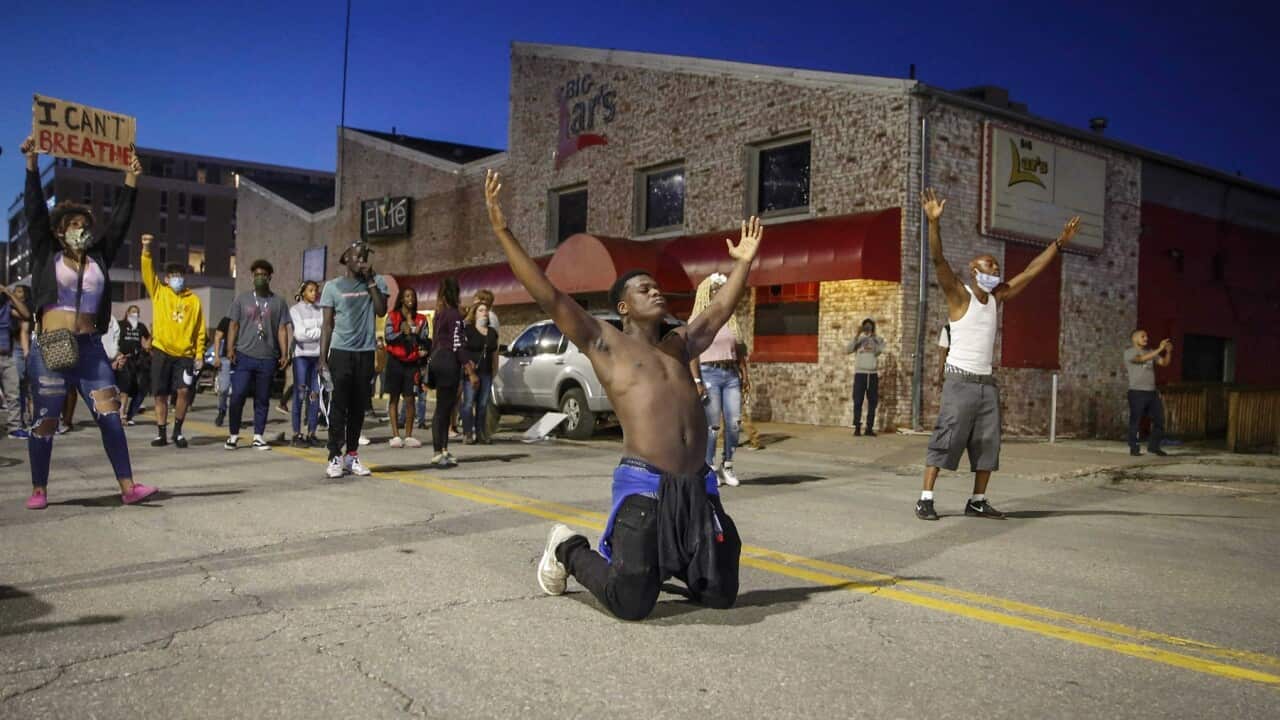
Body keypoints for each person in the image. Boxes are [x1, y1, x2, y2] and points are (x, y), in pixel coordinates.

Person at [486, 169, 749, 621]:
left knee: (720, 594)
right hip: (645, 486)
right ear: (624, 305)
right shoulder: (605, 343)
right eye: (643, 288)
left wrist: (743, 261)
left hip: (698, 489)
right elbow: (546, 293)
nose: (655, 290)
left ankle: (667, 560)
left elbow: (722, 307)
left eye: (656, 284)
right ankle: (567, 547)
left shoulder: (680, 343)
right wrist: (501, 230)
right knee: (631, 602)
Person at [915, 188, 1079, 521]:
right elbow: (938, 260)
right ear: (974, 270)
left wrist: (1059, 243)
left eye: (997, 265)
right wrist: (933, 224)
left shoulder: (997, 298)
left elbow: (1032, 271)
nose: (995, 268)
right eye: (989, 264)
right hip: (959, 382)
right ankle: (925, 498)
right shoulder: (960, 295)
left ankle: (977, 500)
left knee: (988, 442)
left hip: (986, 384)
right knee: (947, 437)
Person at [19, 135, 156, 509]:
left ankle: (128, 487)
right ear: (60, 231)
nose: (80, 229)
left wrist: (131, 179)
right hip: (52, 346)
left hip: (91, 350)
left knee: (111, 417)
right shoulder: (47, 252)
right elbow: (33, 212)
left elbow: (121, 222)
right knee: (45, 421)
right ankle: (39, 490)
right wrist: (32, 165)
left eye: (84, 224)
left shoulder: (98, 256)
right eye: (73, 225)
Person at [319, 241, 388, 478]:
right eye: (357, 257)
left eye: (364, 257)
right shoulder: (332, 287)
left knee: (359, 407)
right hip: (340, 352)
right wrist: (322, 359)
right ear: (346, 258)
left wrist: (369, 281)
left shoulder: (377, 282)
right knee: (338, 406)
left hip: (365, 353)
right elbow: (327, 325)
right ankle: (334, 456)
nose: (361, 261)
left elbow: (381, 310)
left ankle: (352, 455)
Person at [140, 233, 205, 449]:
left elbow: (199, 330)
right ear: (167, 278)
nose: (178, 279)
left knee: (184, 391)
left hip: (185, 355)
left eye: (181, 275)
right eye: (173, 275)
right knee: (160, 393)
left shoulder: (194, 300)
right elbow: (147, 272)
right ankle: (161, 433)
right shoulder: (159, 292)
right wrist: (147, 249)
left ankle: (178, 431)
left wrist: (199, 354)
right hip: (161, 351)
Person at [688, 273, 750, 487]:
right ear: (706, 292)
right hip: (708, 373)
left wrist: (745, 373)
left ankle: (728, 465)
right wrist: (697, 380)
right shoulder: (700, 319)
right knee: (712, 425)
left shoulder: (730, 319)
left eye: (721, 289)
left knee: (734, 423)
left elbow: (740, 350)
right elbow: (692, 353)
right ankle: (709, 467)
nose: (719, 292)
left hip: (730, 373)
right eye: (715, 289)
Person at [224, 260, 291, 451]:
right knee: (237, 395)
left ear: (270, 277)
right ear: (252, 277)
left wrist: (284, 353)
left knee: (262, 398)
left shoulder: (278, 302)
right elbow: (233, 325)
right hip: (244, 355)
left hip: (268, 357)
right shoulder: (242, 299)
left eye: (263, 274)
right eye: (257, 274)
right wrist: (230, 348)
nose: (260, 278)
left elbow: (282, 329)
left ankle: (258, 436)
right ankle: (233, 434)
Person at [428, 277, 475, 467]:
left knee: (443, 407)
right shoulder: (455, 315)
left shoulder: (439, 314)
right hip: (449, 362)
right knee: (444, 409)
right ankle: (439, 451)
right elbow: (458, 344)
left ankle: (443, 450)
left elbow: (434, 341)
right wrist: (470, 369)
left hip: (437, 359)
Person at [384, 287, 430, 448]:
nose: (411, 298)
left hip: (412, 363)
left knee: (410, 398)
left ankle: (409, 435)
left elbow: (425, 340)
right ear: (402, 299)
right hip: (395, 361)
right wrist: (402, 333)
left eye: (413, 296)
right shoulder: (393, 316)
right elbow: (388, 337)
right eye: (407, 295)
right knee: (394, 397)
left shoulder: (422, 319)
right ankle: (396, 435)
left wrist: (417, 334)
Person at [1125, 330, 1173, 457]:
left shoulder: (1150, 351)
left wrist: (1168, 351)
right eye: (1143, 336)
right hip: (1137, 392)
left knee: (1159, 420)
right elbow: (1141, 359)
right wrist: (1159, 349)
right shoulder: (1129, 352)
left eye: (1147, 336)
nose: (1146, 338)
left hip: (1152, 393)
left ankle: (1154, 447)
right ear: (1135, 338)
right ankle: (1134, 448)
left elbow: (1164, 363)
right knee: (1136, 421)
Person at [289, 281, 324, 448]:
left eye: (316, 290)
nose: (314, 293)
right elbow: (299, 335)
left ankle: (312, 432)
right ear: (303, 292)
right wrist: (319, 333)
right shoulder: (295, 310)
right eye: (310, 290)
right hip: (301, 357)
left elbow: (328, 330)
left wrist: (314, 333)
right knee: (300, 393)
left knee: (314, 395)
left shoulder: (321, 309)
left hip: (316, 357)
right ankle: (296, 433)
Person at [462, 301, 499, 444]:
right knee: (468, 403)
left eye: (486, 310)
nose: (484, 312)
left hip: (486, 372)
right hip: (471, 372)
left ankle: (480, 432)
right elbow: (463, 351)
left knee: (483, 404)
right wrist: (467, 368)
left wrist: (495, 370)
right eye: (481, 310)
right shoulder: (469, 330)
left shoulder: (492, 333)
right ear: (475, 314)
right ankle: (467, 432)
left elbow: (494, 353)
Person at [1, 283, 33, 439]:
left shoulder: (8, 308)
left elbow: (26, 314)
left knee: (14, 393)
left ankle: (14, 427)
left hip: (7, 356)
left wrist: (9, 293)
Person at [846, 318, 885, 436]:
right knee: (858, 401)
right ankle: (857, 427)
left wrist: (873, 336)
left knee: (872, 402)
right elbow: (848, 349)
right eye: (866, 327)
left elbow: (881, 348)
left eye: (870, 326)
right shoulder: (859, 340)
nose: (868, 328)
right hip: (860, 374)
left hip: (872, 375)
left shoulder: (876, 340)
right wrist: (858, 334)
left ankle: (869, 428)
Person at [115, 304, 151, 426]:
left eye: (137, 312)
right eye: (132, 312)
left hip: (137, 361)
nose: (134, 314)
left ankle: (129, 415)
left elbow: (148, 338)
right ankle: (122, 416)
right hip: (123, 359)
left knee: (141, 390)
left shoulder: (141, 327)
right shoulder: (121, 325)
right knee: (123, 390)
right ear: (127, 313)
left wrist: (148, 345)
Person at [212, 316, 232, 426]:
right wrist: (217, 357)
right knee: (224, 389)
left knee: (239, 392)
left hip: (242, 359)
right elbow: (217, 337)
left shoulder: (247, 320)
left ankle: (236, 416)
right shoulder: (226, 320)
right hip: (226, 359)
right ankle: (222, 411)